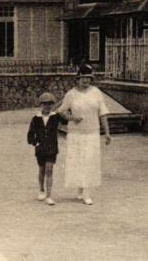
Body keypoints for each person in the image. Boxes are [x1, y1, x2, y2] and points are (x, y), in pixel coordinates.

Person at [55, 64, 111, 205]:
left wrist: (107, 133)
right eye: (83, 78)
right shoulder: (71, 94)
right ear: (78, 79)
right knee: (78, 162)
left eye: (88, 78)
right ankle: (80, 190)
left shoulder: (96, 93)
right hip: (75, 134)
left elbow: (103, 113)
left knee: (89, 161)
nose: (86, 80)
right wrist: (72, 118)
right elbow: (61, 111)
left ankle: (87, 192)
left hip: (92, 133)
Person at [27, 93, 68, 206]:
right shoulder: (36, 118)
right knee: (42, 169)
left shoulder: (56, 116)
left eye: (50, 104)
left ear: (53, 105)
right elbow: (30, 134)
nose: (47, 106)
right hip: (40, 149)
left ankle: (49, 196)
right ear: (41, 105)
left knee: (49, 170)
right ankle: (41, 190)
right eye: (45, 104)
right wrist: (35, 143)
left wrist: (64, 112)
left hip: (52, 148)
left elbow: (66, 121)